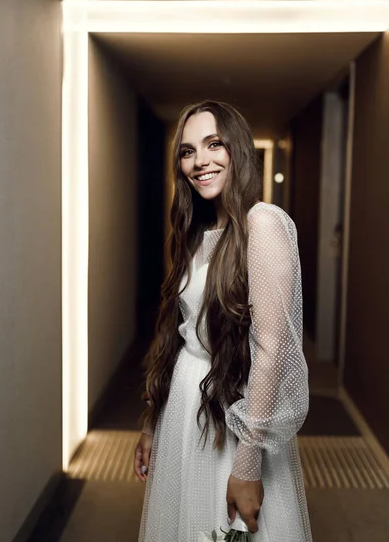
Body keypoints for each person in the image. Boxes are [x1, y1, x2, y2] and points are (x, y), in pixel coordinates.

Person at [134, 100, 313, 542]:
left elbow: (271, 352)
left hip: (232, 414)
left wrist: (248, 463)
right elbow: (179, 336)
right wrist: (152, 422)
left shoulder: (262, 224)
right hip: (184, 407)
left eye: (214, 145)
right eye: (188, 151)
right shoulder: (194, 232)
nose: (200, 161)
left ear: (238, 149)